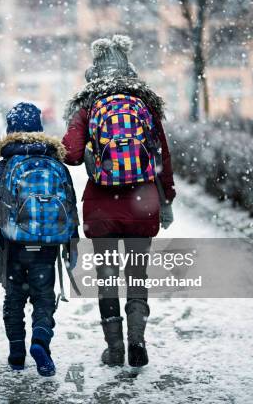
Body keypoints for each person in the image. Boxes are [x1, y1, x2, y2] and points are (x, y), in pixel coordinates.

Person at [61, 35, 176, 368]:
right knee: (137, 275)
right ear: (130, 70)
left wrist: (87, 151)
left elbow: (69, 153)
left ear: (93, 72)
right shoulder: (145, 105)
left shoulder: (88, 105)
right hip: (143, 203)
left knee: (108, 278)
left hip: (102, 207)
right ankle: (137, 341)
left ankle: (114, 350)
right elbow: (162, 158)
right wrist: (166, 197)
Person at [0, 102, 79, 377]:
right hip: (46, 247)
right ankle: (41, 341)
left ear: (10, 130)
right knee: (44, 298)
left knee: (15, 299)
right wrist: (72, 243)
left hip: (13, 247)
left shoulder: (2, 167)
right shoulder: (56, 164)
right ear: (39, 129)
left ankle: (17, 353)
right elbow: (69, 206)